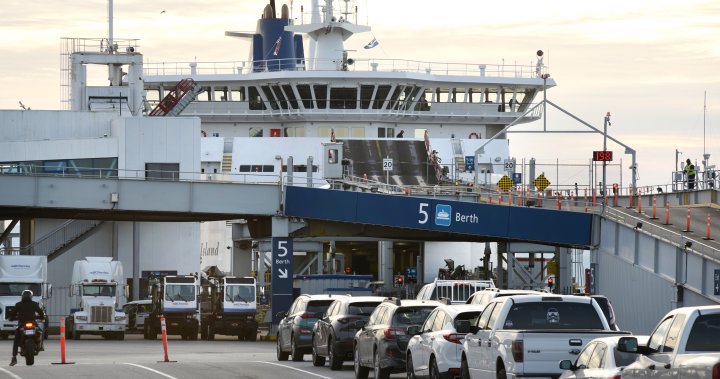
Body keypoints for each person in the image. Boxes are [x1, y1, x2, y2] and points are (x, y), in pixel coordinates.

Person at [9, 290, 45, 366]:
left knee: (16, 340)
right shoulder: (34, 304)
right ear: (31, 296)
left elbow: (12, 314)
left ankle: (14, 357)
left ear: (22, 296)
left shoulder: (18, 304)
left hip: (22, 324)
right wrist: (42, 317)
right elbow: (40, 312)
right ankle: (41, 345)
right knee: (40, 331)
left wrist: (11, 318)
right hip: (33, 323)